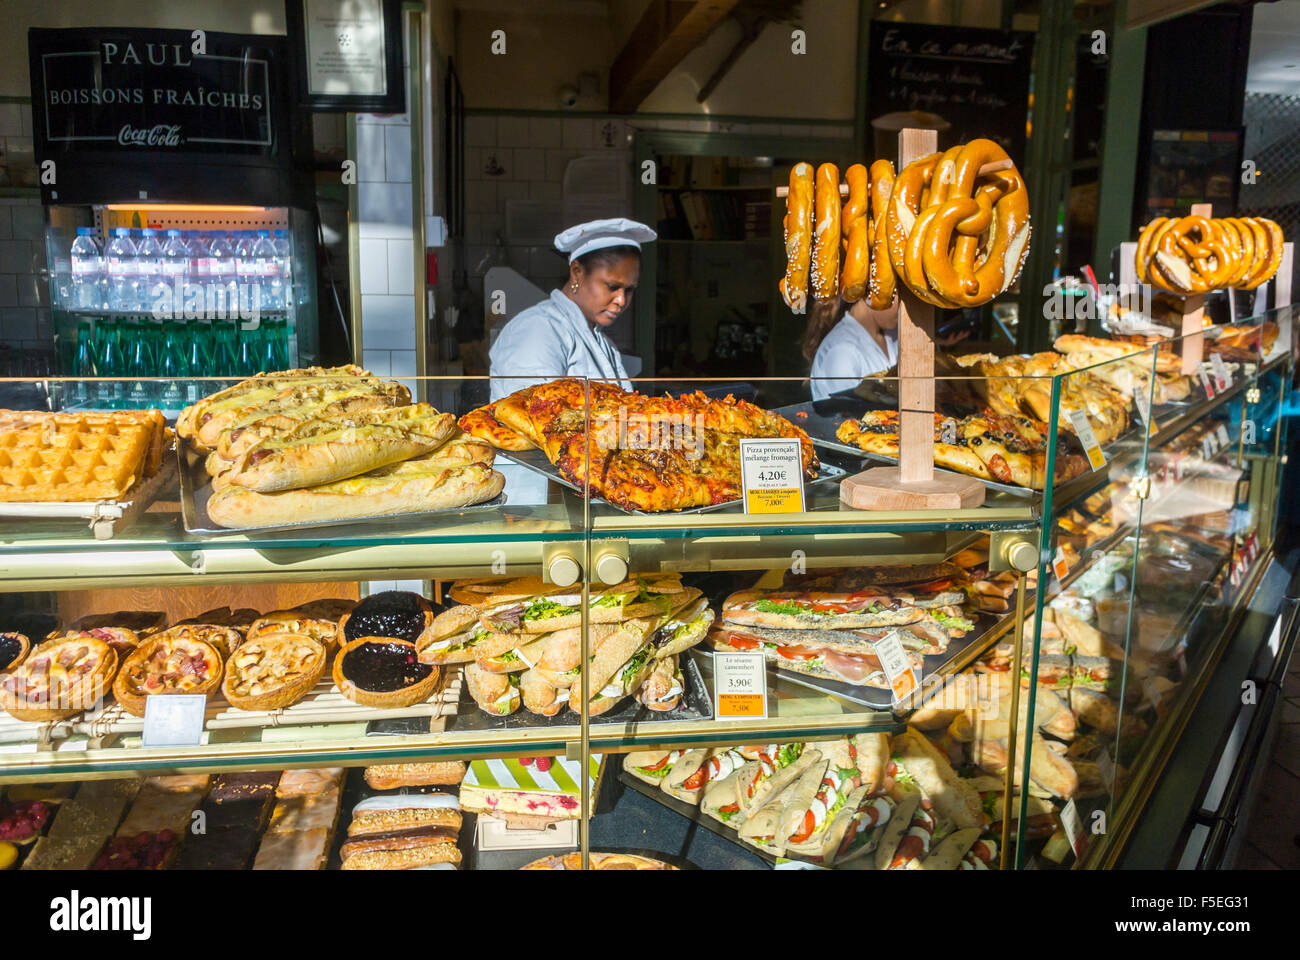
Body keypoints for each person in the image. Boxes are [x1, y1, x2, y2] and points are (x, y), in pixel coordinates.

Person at [488, 217, 656, 401]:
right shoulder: (537, 329)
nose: (621, 300)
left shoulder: (600, 340)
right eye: (611, 286)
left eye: (629, 289)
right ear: (577, 272)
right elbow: (539, 418)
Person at [804, 295, 901, 402]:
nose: (904, 307)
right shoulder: (842, 352)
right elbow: (847, 413)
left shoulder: (893, 335)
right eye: (901, 296)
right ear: (871, 292)